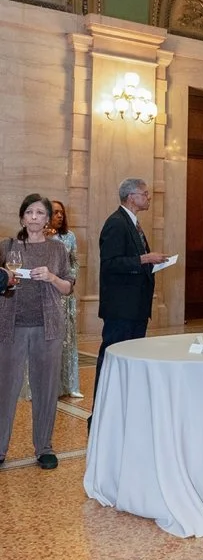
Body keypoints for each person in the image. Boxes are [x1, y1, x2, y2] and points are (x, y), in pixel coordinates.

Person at [0, 195, 75, 468]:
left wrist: (52, 278)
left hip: (48, 327)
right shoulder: (8, 246)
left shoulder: (57, 250)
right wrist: (8, 279)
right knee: (5, 388)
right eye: (29, 212)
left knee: (46, 387)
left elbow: (68, 286)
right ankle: (0, 448)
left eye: (40, 213)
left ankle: (44, 447)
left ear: (48, 219)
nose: (34, 217)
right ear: (22, 217)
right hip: (11, 325)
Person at [95, 178, 170, 419]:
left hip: (136, 306)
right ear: (131, 197)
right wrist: (145, 259)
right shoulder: (116, 224)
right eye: (145, 194)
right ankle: (101, 412)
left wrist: (151, 263)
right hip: (121, 308)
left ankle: (125, 407)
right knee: (112, 356)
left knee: (132, 356)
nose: (149, 198)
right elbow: (110, 264)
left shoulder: (133, 223)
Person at [48, 200, 81, 398]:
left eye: (62, 212)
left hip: (66, 293)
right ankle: (48, 386)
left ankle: (70, 385)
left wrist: (71, 278)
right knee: (50, 340)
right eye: (55, 212)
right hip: (47, 294)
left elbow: (75, 261)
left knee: (67, 339)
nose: (59, 216)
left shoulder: (70, 237)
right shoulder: (40, 237)